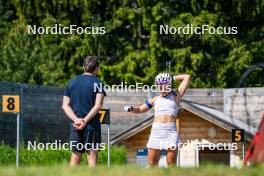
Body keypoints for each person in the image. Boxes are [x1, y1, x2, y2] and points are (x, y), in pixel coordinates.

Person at [124, 73, 190, 167]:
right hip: (156, 134)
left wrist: (173, 77)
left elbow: (187, 77)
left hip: (170, 133)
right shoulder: (154, 99)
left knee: (171, 164)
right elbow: (140, 109)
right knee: (152, 164)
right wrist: (131, 108)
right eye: (160, 86)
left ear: (169, 85)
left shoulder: (176, 96)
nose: (162, 89)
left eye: (165, 86)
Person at [62, 56, 106, 167]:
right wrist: (85, 121)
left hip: (75, 126)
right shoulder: (99, 83)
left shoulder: (71, 82)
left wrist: (77, 120)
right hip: (92, 126)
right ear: (97, 68)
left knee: (75, 157)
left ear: (83, 67)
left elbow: (65, 105)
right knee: (92, 157)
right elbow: (98, 105)